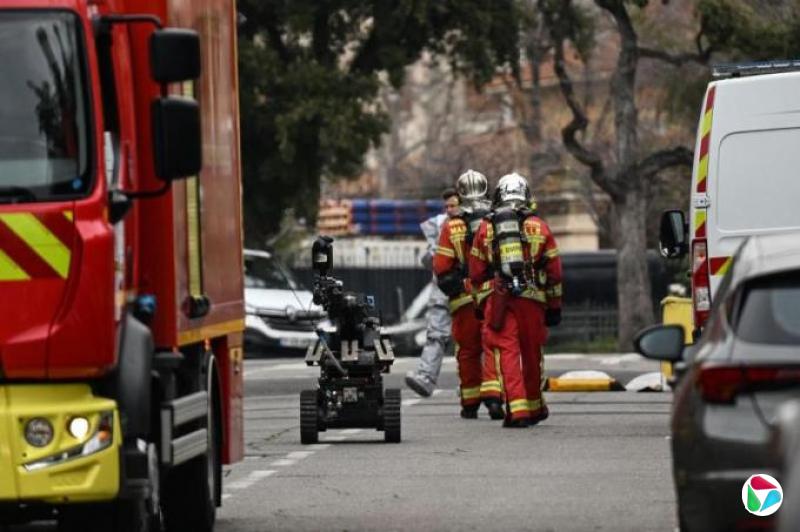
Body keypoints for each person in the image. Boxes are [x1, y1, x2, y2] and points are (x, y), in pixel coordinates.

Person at [469, 172, 563, 428]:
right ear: (526, 195)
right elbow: (554, 273)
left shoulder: (486, 227)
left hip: (498, 299)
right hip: (532, 300)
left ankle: (518, 410)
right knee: (531, 354)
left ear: (499, 195)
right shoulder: (540, 227)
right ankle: (534, 407)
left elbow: (476, 271)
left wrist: (480, 303)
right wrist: (554, 307)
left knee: (506, 354)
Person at [433, 170, 504, 420]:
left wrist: (460, 286)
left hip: (464, 299)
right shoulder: (496, 220)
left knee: (467, 350)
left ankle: (471, 402)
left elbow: (442, 268)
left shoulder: (451, 227)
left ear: (460, 194)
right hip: (493, 295)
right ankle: (494, 398)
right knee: (493, 346)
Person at [405, 189, 460, 397]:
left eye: (453, 205)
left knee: (470, 340)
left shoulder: (472, 224)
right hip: (443, 290)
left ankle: (473, 385)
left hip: (466, 289)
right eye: (446, 206)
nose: (449, 209)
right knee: (435, 334)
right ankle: (426, 378)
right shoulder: (439, 225)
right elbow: (429, 260)